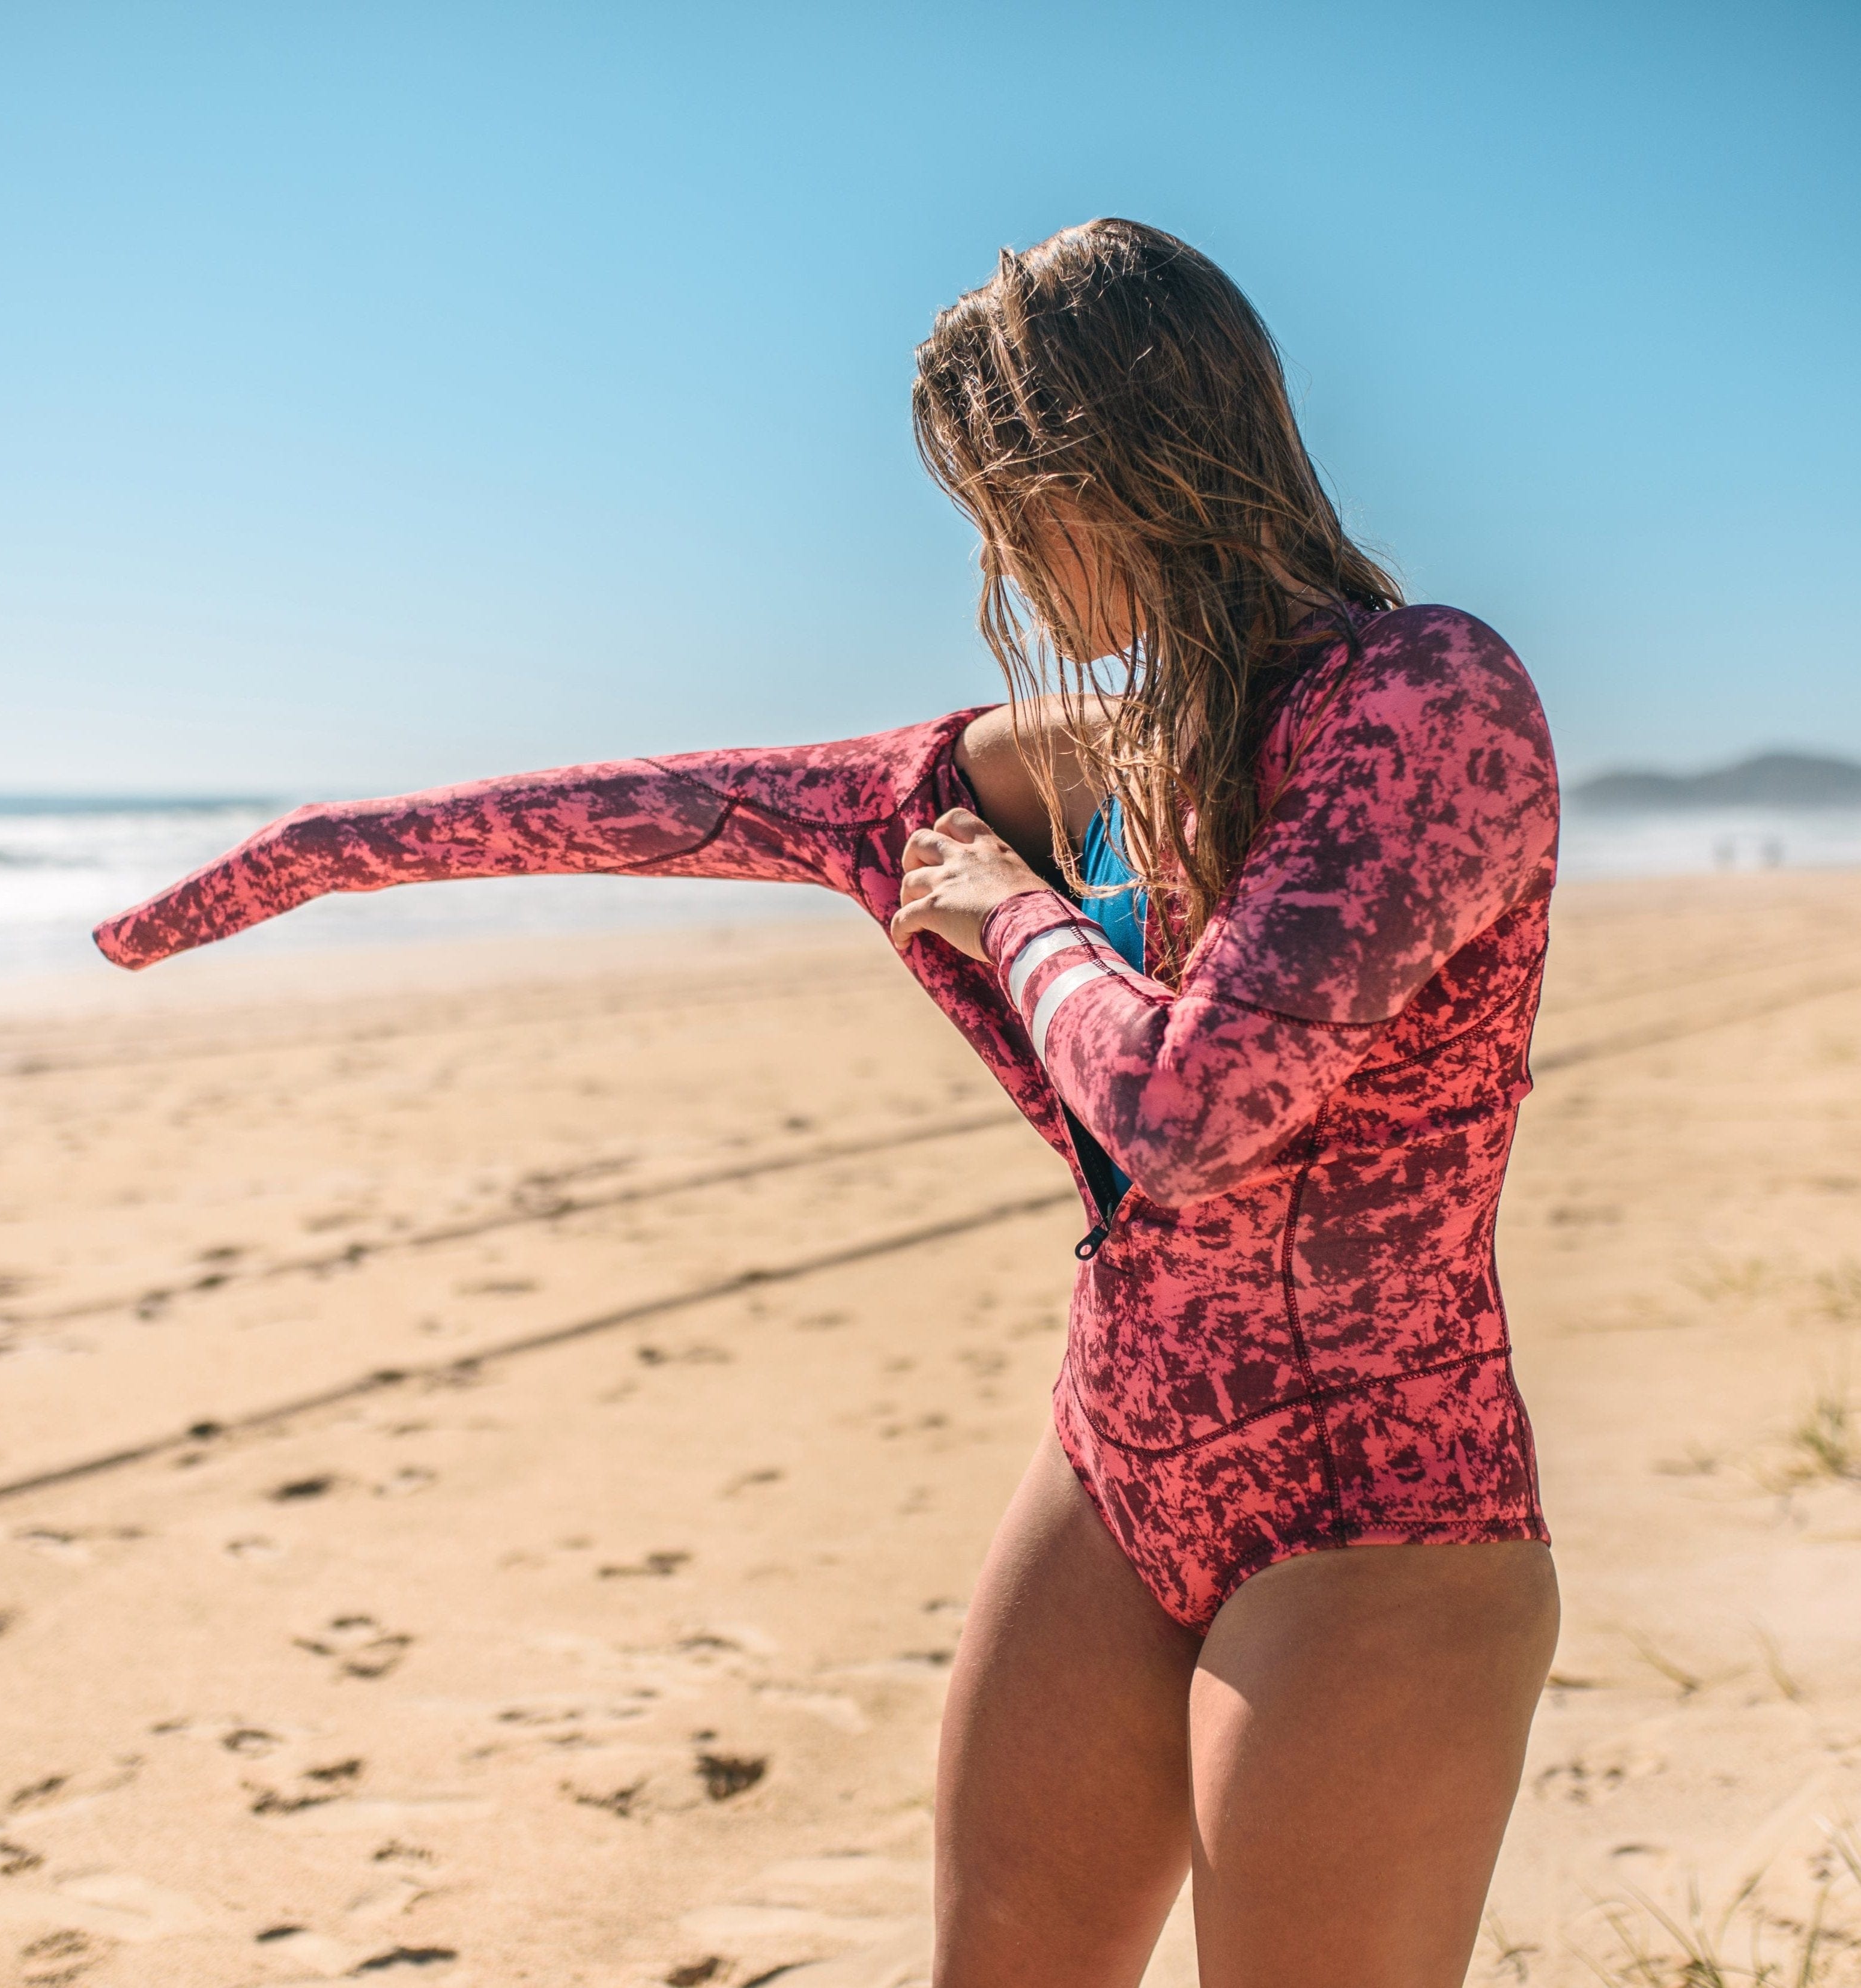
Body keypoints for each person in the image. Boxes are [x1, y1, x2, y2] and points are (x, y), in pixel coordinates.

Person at [95, 219, 1561, 1988]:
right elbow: (680, 804)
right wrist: (331, 854)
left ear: (1100, 479)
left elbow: (1192, 1112)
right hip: (1116, 1461)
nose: (1000, 564)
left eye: (1003, 515)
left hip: (1380, 1515)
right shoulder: (1074, 760)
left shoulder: (1423, 702)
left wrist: (1011, 918)